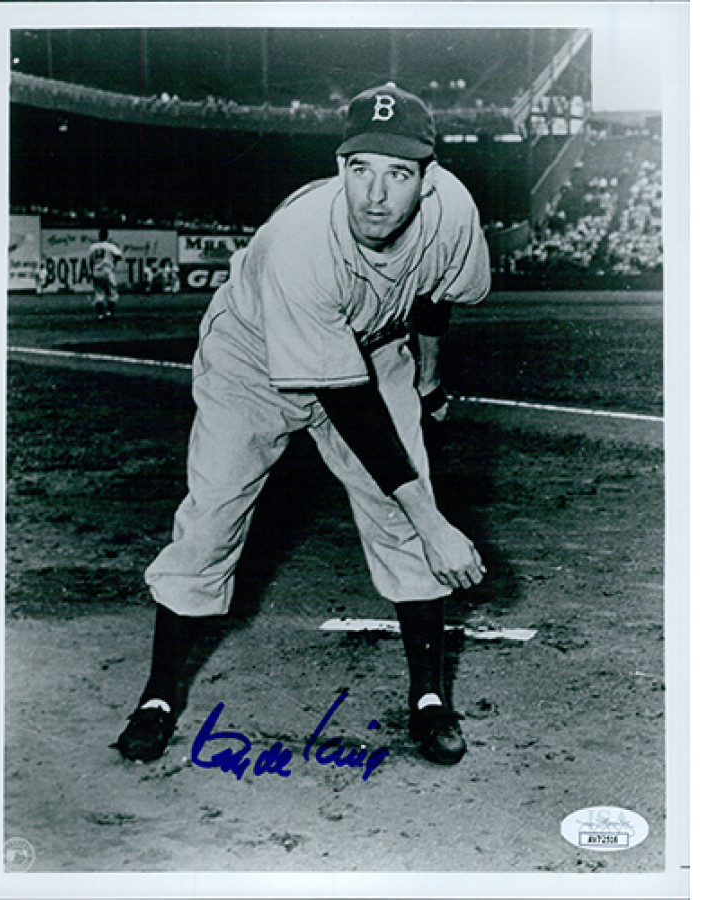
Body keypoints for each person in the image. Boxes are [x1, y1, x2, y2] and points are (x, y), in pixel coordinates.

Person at [114, 83, 491, 767]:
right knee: (212, 521)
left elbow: (435, 300)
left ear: (428, 179)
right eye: (360, 169)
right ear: (339, 166)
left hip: (374, 350)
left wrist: (429, 380)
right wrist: (435, 523)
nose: (375, 194)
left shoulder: (454, 214)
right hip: (251, 363)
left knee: (403, 517)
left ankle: (430, 700)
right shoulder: (301, 242)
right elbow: (344, 401)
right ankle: (158, 696)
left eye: (398, 174)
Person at [87, 228, 123, 319]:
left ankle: (100, 315)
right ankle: (109, 312)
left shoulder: (93, 247)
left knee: (99, 294)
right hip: (107, 271)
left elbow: (90, 261)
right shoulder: (111, 246)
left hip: (96, 271)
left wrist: (91, 271)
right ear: (107, 236)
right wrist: (113, 262)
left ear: (99, 236)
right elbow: (119, 256)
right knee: (113, 293)